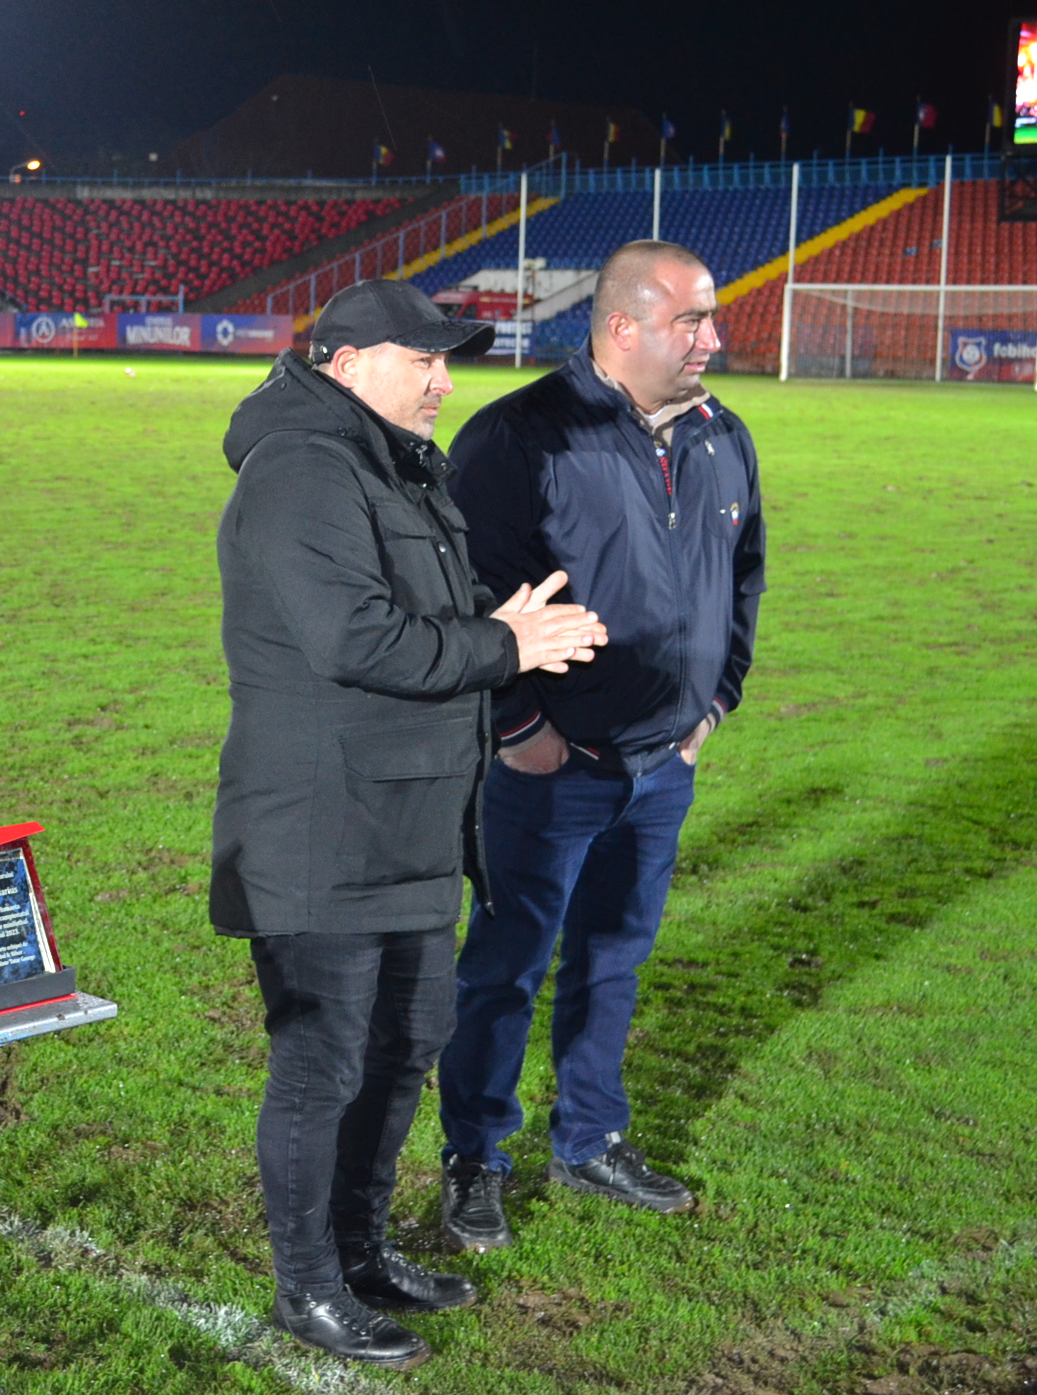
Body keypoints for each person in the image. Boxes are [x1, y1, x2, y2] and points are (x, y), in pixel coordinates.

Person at [212, 279, 608, 1371]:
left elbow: (420, 621)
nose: (443, 381)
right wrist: (505, 645)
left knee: (401, 1049)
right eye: (420, 359)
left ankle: (360, 1251)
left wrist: (491, 625)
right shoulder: (301, 468)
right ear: (345, 364)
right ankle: (308, 1286)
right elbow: (356, 639)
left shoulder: (391, 462)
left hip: (411, 821)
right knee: (323, 1065)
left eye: (447, 361)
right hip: (322, 828)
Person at [434, 241, 766, 1252]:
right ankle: (474, 1157)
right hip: (550, 768)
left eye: (709, 318)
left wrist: (713, 704)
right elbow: (465, 598)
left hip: (662, 765)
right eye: (690, 321)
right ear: (622, 327)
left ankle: (588, 1139)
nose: (711, 338)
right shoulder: (517, 436)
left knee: (612, 959)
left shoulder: (722, 435)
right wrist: (520, 730)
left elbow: (742, 577)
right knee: (505, 967)